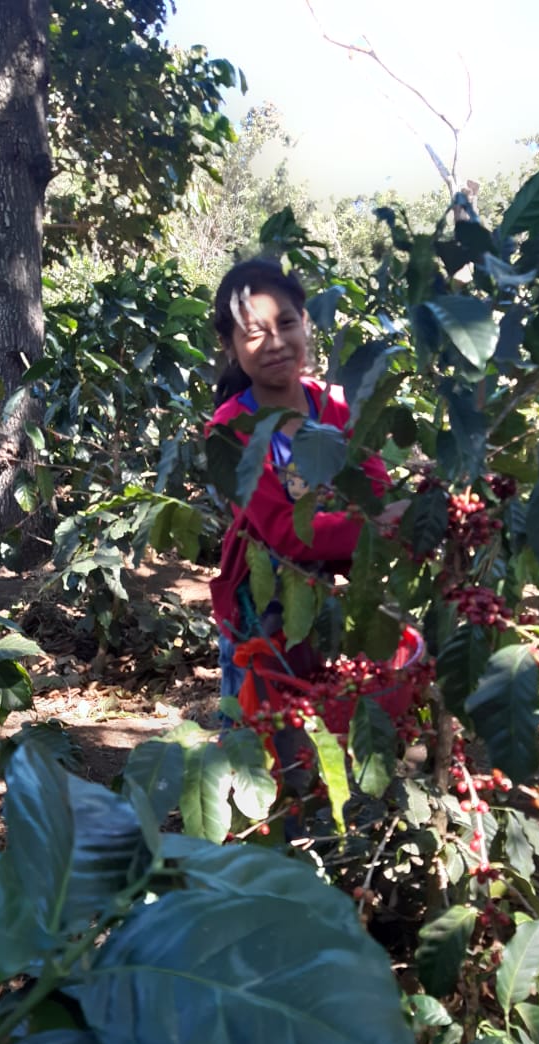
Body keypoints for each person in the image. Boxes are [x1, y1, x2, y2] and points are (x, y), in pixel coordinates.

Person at [206, 257, 400, 724]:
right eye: (253, 333)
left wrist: (399, 512)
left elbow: (376, 483)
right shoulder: (230, 428)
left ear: (305, 322)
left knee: (317, 710)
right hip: (263, 599)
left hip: (329, 590)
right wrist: (379, 523)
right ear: (230, 346)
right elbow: (282, 532)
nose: (274, 343)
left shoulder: (333, 404)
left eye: (286, 323)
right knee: (260, 724)